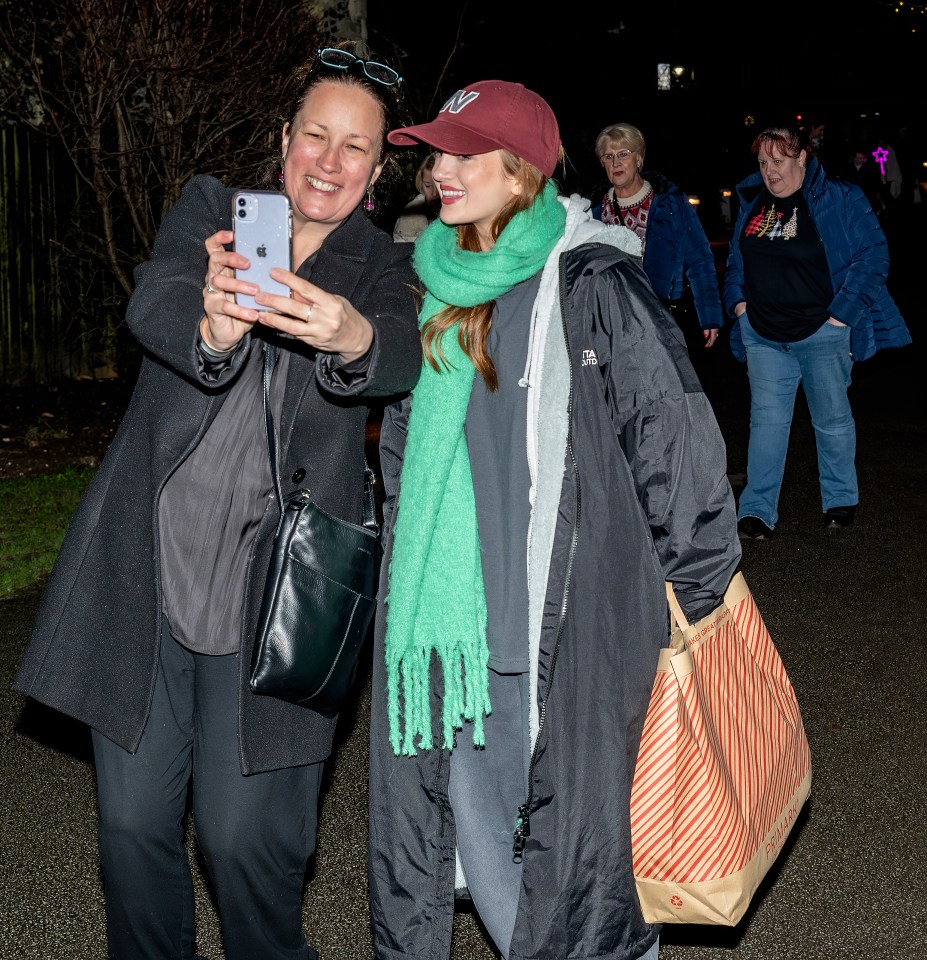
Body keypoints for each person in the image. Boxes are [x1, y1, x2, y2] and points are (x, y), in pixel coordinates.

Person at [12, 44, 422, 960]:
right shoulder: (214, 213)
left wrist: (350, 335)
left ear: (378, 169)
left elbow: (398, 350)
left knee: (244, 844)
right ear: (283, 140)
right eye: (315, 134)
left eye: (355, 147)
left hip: (279, 590)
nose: (329, 159)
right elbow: (153, 296)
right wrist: (210, 322)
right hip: (150, 567)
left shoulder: (381, 266)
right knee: (130, 833)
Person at [367, 80, 741, 960]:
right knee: (494, 856)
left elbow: (673, 438)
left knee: (589, 871)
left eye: (464, 154)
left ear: (522, 171)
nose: (440, 171)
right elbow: (404, 452)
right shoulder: (435, 284)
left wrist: (697, 600)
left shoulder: (594, 280)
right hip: (455, 637)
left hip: (573, 633)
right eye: (435, 153)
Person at [723, 124, 910, 540]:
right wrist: (739, 306)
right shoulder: (753, 202)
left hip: (821, 332)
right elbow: (736, 259)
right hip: (764, 333)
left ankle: (840, 500)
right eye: (763, 163)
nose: (770, 172)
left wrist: (841, 315)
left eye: (779, 161)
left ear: (802, 157)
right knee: (766, 422)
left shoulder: (841, 198)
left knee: (831, 419)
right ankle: (756, 511)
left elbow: (874, 255)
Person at [587, 122, 723, 350]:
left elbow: (700, 259)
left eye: (623, 154)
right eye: (608, 157)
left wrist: (709, 315)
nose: (616, 162)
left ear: (639, 159)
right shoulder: (592, 212)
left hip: (663, 318)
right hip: (612, 324)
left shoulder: (670, 203)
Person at [392, 150, 439, 241]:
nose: (434, 193)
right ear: (421, 184)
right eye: (428, 185)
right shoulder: (411, 217)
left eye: (439, 186)